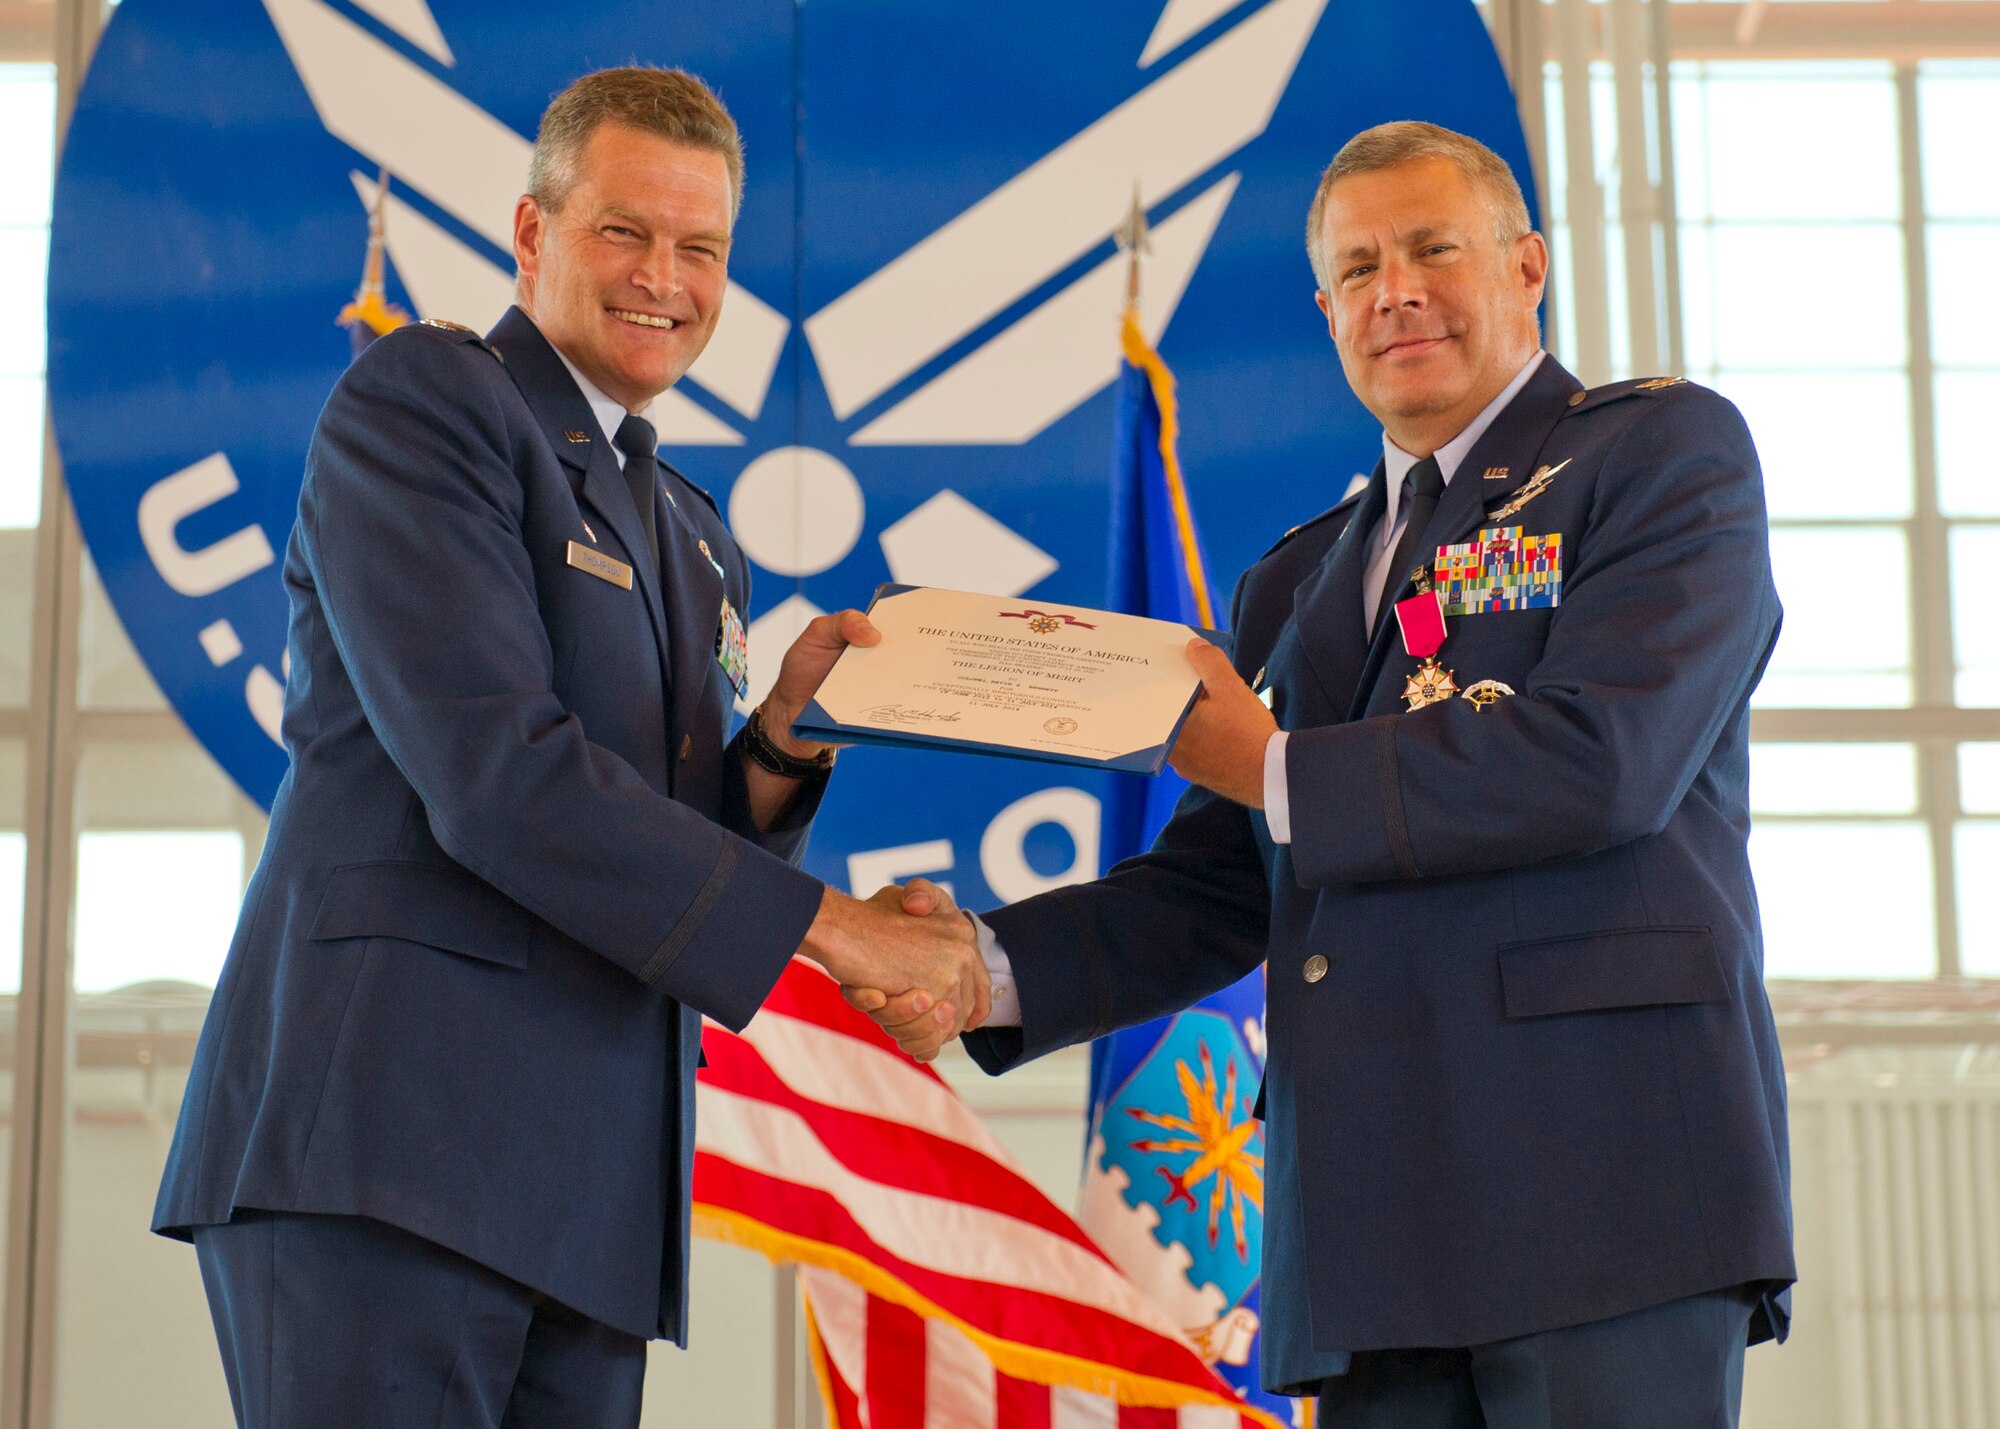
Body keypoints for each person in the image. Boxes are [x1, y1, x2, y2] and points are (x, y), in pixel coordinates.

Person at [856, 121, 1793, 1428]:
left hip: (1605, 1187)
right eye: (1356, 268)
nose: (1392, 289)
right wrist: (980, 967)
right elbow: (1220, 881)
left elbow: (1604, 760)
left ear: (1529, 266)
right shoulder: (1296, 578)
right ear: (1325, 309)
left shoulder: (1659, 457)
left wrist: (1279, 762)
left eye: (1431, 249)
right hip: (1366, 1228)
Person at [153, 67, 982, 1429]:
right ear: (532, 236)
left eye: (701, 249)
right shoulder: (425, 405)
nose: (666, 277)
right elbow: (504, 779)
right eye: (624, 232)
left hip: (592, 1189)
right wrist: (843, 934)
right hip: (390, 1147)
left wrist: (779, 742)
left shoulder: (695, 530)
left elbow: (671, 836)